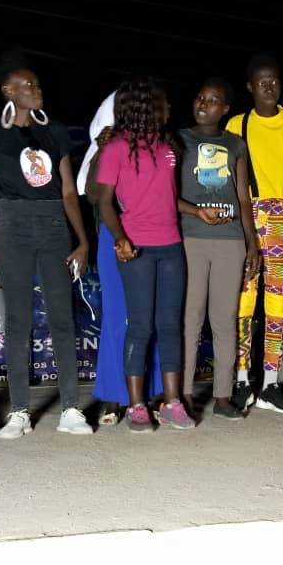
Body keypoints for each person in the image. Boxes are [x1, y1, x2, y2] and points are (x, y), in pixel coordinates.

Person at [0, 50, 93, 437]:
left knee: (62, 318)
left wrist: (82, 240)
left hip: (54, 225)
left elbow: (69, 190)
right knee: (18, 321)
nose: (36, 89)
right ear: (8, 91)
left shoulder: (54, 131)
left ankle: (71, 409)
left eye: (37, 84)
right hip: (11, 227)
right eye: (27, 85)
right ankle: (19, 412)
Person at [95, 76, 194, 432]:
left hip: (171, 246)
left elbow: (167, 198)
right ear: (146, 106)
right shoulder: (116, 148)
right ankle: (136, 406)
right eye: (163, 102)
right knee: (140, 326)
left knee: (170, 326)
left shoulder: (168, 145)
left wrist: (197, 211)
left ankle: (172, 403)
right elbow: (104, 201)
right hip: (137, 247)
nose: (169, 107)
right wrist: (120, 238)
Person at [224, 52, 283, 413]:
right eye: (262, 81)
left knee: (277, 304)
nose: (269, 86)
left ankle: (271, 384)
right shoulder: (237, 124)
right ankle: (241, 381)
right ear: (250, 87)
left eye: (274, 80)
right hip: (248, 218)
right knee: (244, 304)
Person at [79, 91, 164, 425]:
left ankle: (147, 394)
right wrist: (102, 149)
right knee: (117, 317)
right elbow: (93, 194)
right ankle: (115, 397)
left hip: (154, 234)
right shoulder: (109, 144)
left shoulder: (157, 144)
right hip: (114, 236)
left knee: (149, 316)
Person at [177, 77, 259, 420]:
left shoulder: (236, 144)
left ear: (225, 108)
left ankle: (223, 396)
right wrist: (195, 211)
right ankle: (181, 394)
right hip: (190, 238)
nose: (203, 104)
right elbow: (167, 194)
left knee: (224, 319)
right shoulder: (179, 139)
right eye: (200, 97)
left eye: (212, 100)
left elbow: (243, 198)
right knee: (190, 318)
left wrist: (252, 244)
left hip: (230, 240)